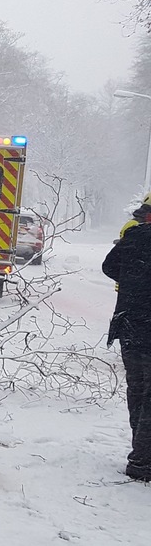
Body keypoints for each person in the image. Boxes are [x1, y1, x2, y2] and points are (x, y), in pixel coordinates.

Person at [102, 196, 151, 481]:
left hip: (130, 327)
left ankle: (141, 452)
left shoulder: (133, 237)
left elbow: (109, 268)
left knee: (138, 390)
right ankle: (143, 461)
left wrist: (135, 280)